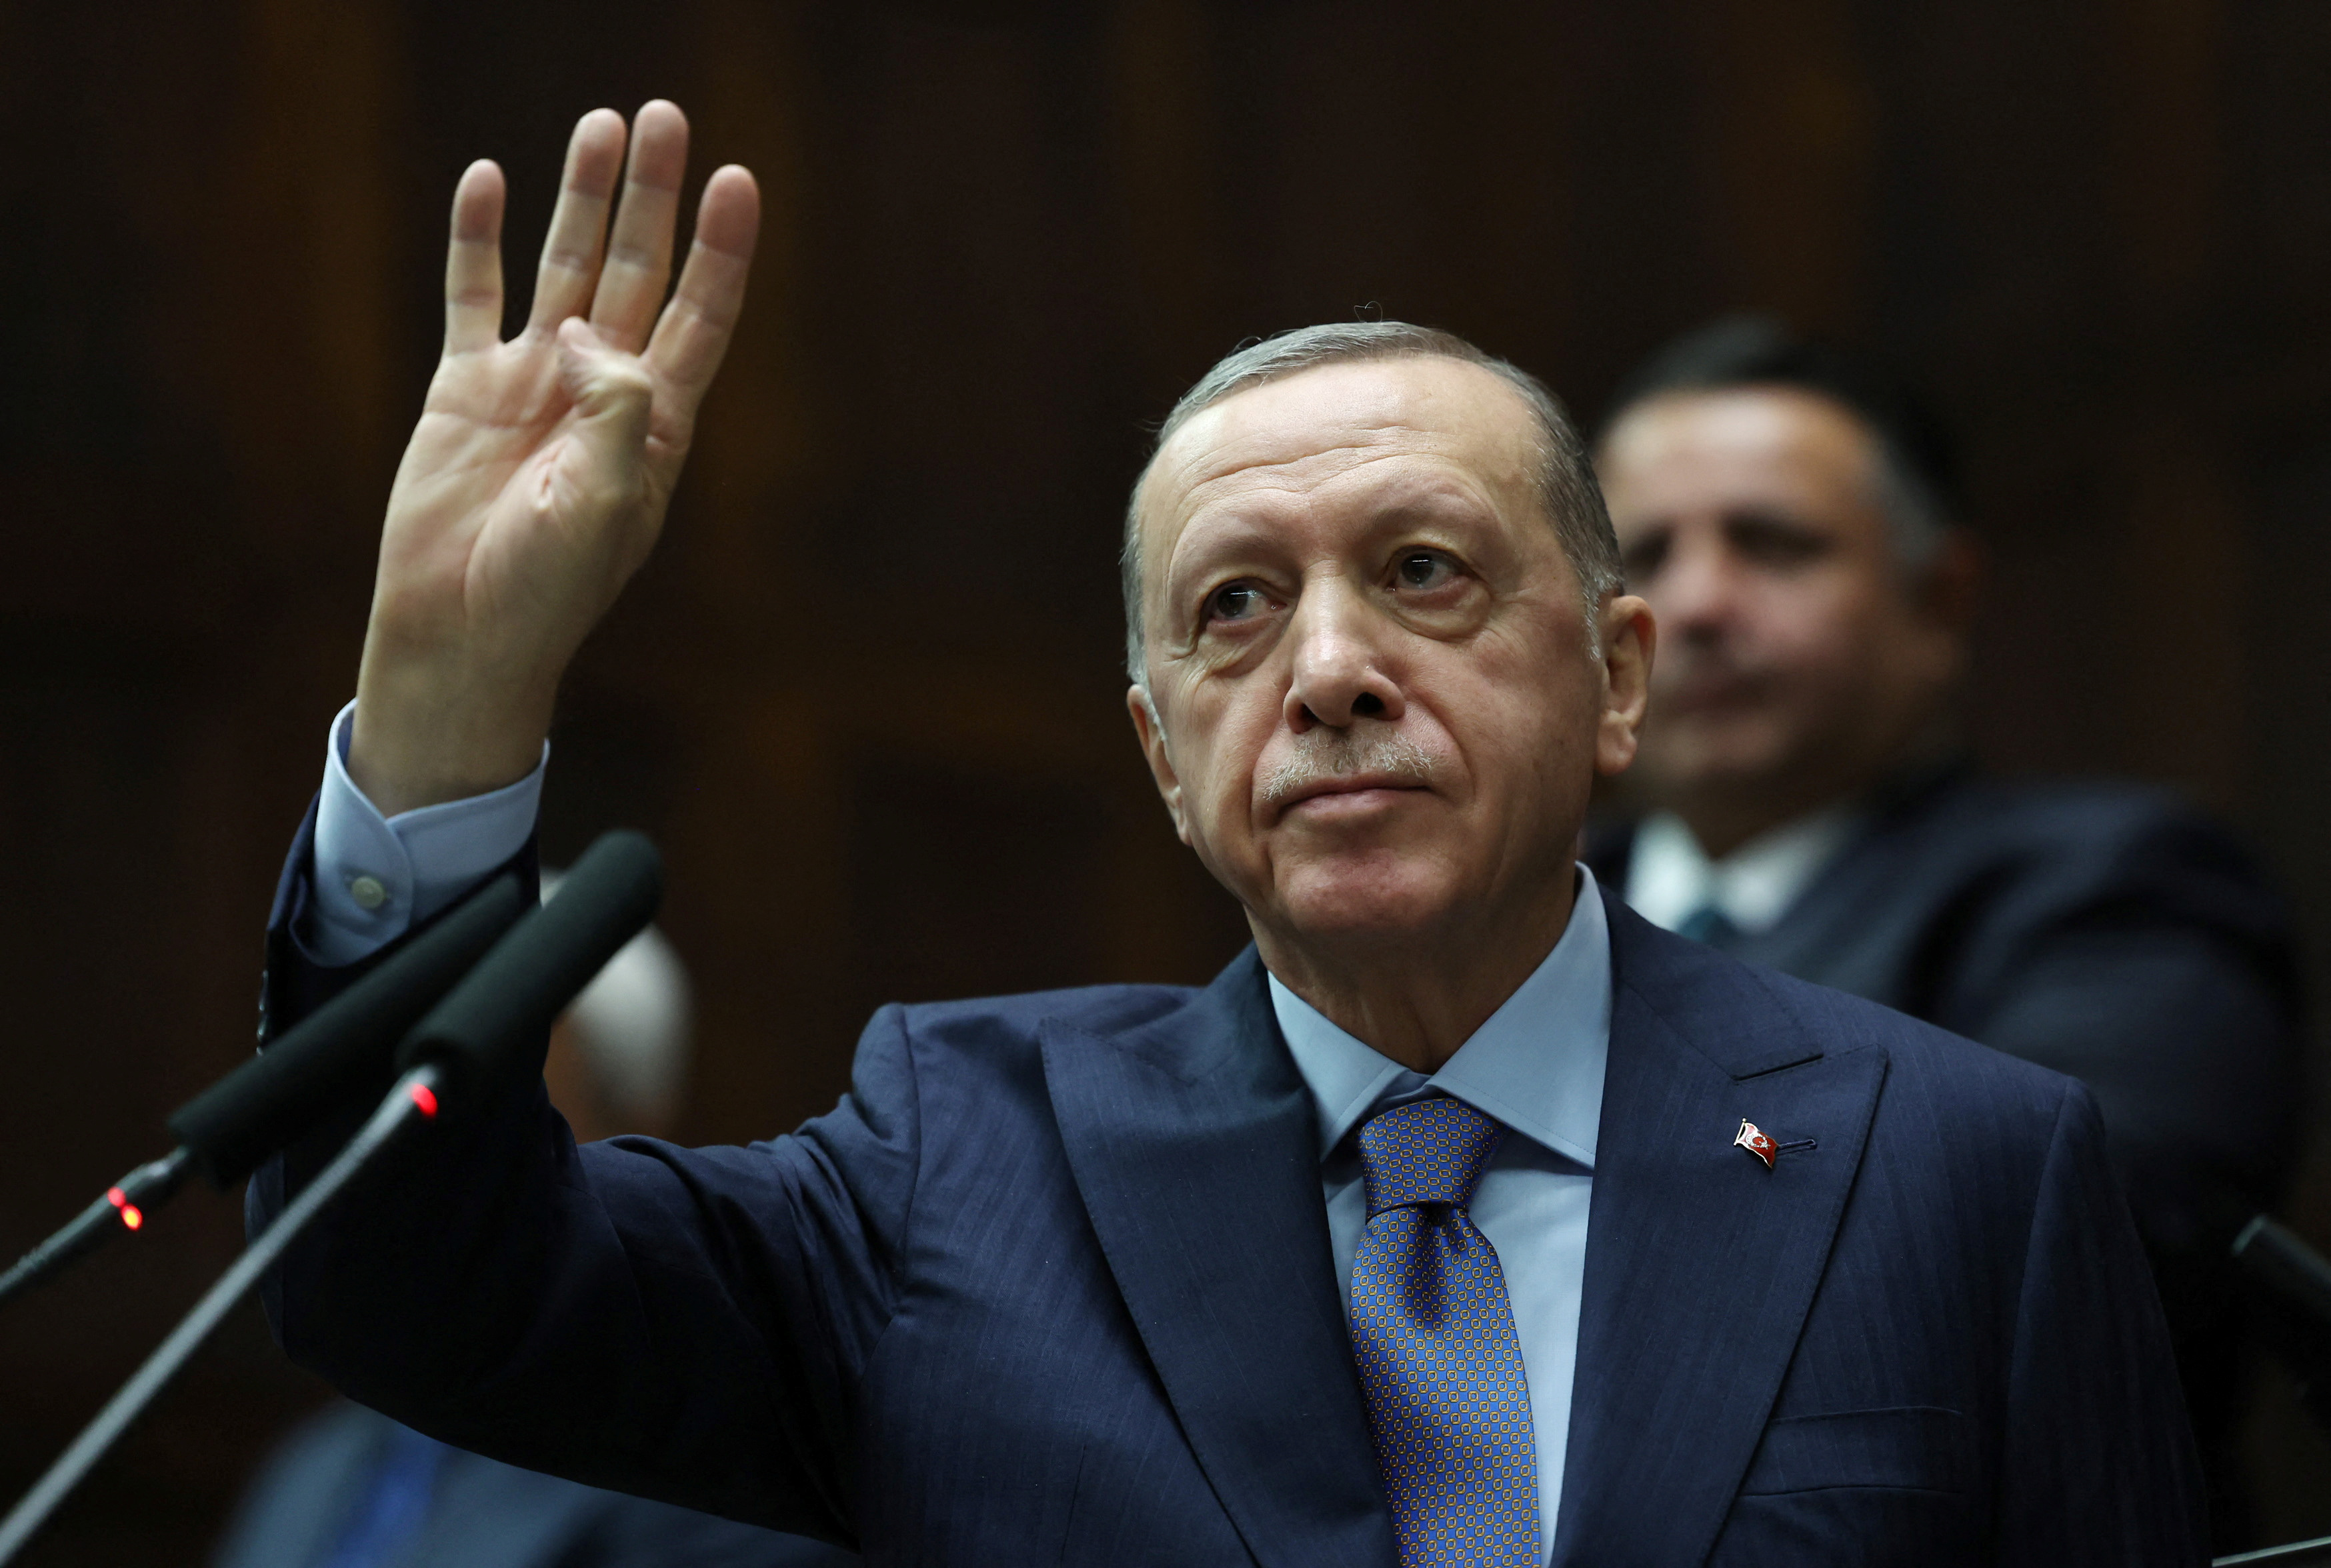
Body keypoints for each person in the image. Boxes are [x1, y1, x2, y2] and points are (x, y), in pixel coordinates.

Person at [249, 103, 2206, 1565]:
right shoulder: (962, 1164)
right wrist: (445, 707)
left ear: (1617, 678)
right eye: (1234, 609)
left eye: (1422, 572)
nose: (1331, 669)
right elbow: (405, 1286)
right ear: (1165, 754)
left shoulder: (1958, 1164)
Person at [1582, 317, 2301, 1544]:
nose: (1694, 601)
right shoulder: (1503, 922)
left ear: (1940, 595)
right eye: (1645, 555)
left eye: (1773, 544)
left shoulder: (2113, 889)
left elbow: (2038, 1242)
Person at [217, 899, 856, 1567]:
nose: (433, 1162)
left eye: (490, 1121)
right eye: (417, 1108)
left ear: (632, 1142)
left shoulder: (730, 1487)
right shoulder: (308, 1469)